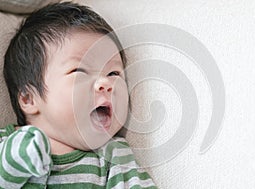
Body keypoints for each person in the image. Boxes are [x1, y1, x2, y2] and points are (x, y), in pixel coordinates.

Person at [0, 2, 157, 188]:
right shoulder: (6, 142)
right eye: (80, 71)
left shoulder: (114, 156)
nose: (105, 84)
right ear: (29, 99)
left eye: (114, 74)